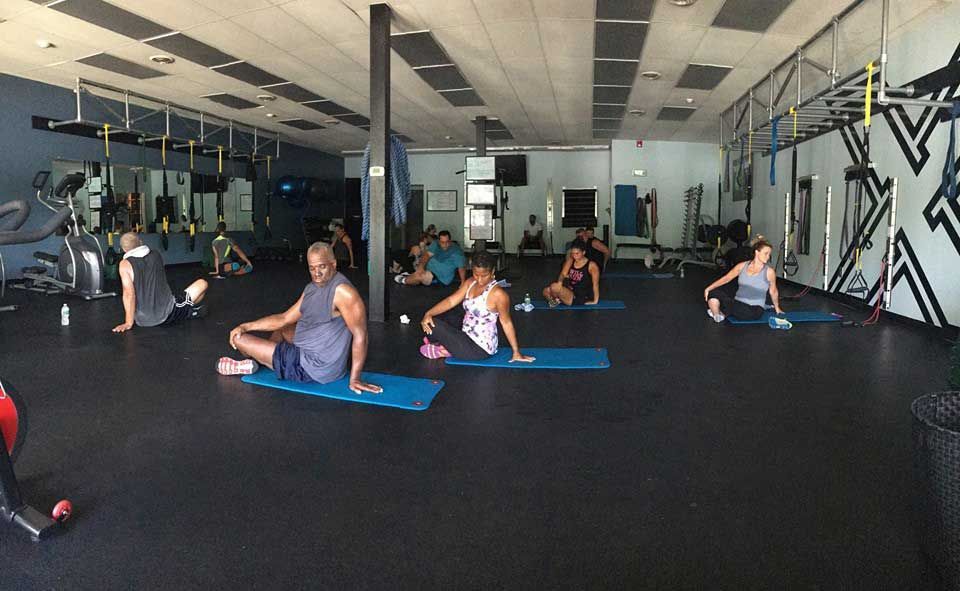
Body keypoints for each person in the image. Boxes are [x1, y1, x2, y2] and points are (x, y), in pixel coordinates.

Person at [216, 242, 382, 394]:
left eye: (322, 267)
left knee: (239, 340)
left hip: (310, 366)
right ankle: (267, 361)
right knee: (281, 328)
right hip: (307, 350)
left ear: (334, 264)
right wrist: (246, 325)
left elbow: (361, 335)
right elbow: (284, 318)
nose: (317, 273)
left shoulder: (343, 292)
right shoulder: (312, 287)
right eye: (312, 268)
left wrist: (355, 378)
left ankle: (261, 362)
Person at [419, 251, 535, 362]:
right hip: (465, 336)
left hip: (479, 349)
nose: (479, 279)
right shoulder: (470, 282)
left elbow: (506, 322)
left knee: (433, 325)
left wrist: (516, 352)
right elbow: (450, 301)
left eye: (484, 275)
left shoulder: (498, 294)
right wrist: (429, 313)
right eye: (476, 274)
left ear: (492, 271)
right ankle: (447, 347)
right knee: (432, 319)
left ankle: (444, 349)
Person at [112, 232, 208, 332]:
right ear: (140, 242)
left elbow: (128, 294)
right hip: (168, 313)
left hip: (142, 320)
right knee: (203, 283)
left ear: (123, 249)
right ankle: (188, 312)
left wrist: (128, 322)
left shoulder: (124, 265)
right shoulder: (156, 255)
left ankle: (188, 311)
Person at [703, 236, 783, 322]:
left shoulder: (769, 272)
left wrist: (777, 307)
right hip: (737, 304)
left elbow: (773, 291)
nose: (768, 257)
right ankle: (717, 315)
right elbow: (726, 278)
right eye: (766, 253)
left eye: (769, 254)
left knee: (732, 305)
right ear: (757, 252)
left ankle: (721, 312)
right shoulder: (742, 266)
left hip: (754, 310)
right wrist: (709, 288)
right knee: (713, 293)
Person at [395, 230, 466, 286]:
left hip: (441, 277)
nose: (445, 245)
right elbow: (427, 255)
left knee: (422, 276)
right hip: (427, 269)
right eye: (442, 242)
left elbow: (461, 268)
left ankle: (404, 280)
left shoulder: (457, 251)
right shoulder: (435, 244)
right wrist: (420, 268)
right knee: (409, 253)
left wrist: (463, 283)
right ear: (439, 241)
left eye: (447, 242)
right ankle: (411, 274)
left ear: (450, 241)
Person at [542, 242, 600, 307]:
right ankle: (556, 301)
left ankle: (559, 299)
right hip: (570, 291)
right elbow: (563, 274)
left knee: (554, 286)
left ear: (583, 252)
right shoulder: (571, 260)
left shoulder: (592, 265)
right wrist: (560, 282)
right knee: (546, 291)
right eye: (572, 253)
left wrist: (595, 300)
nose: (575, 256)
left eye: (577, 253)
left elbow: (596, 284)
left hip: (580, 296)